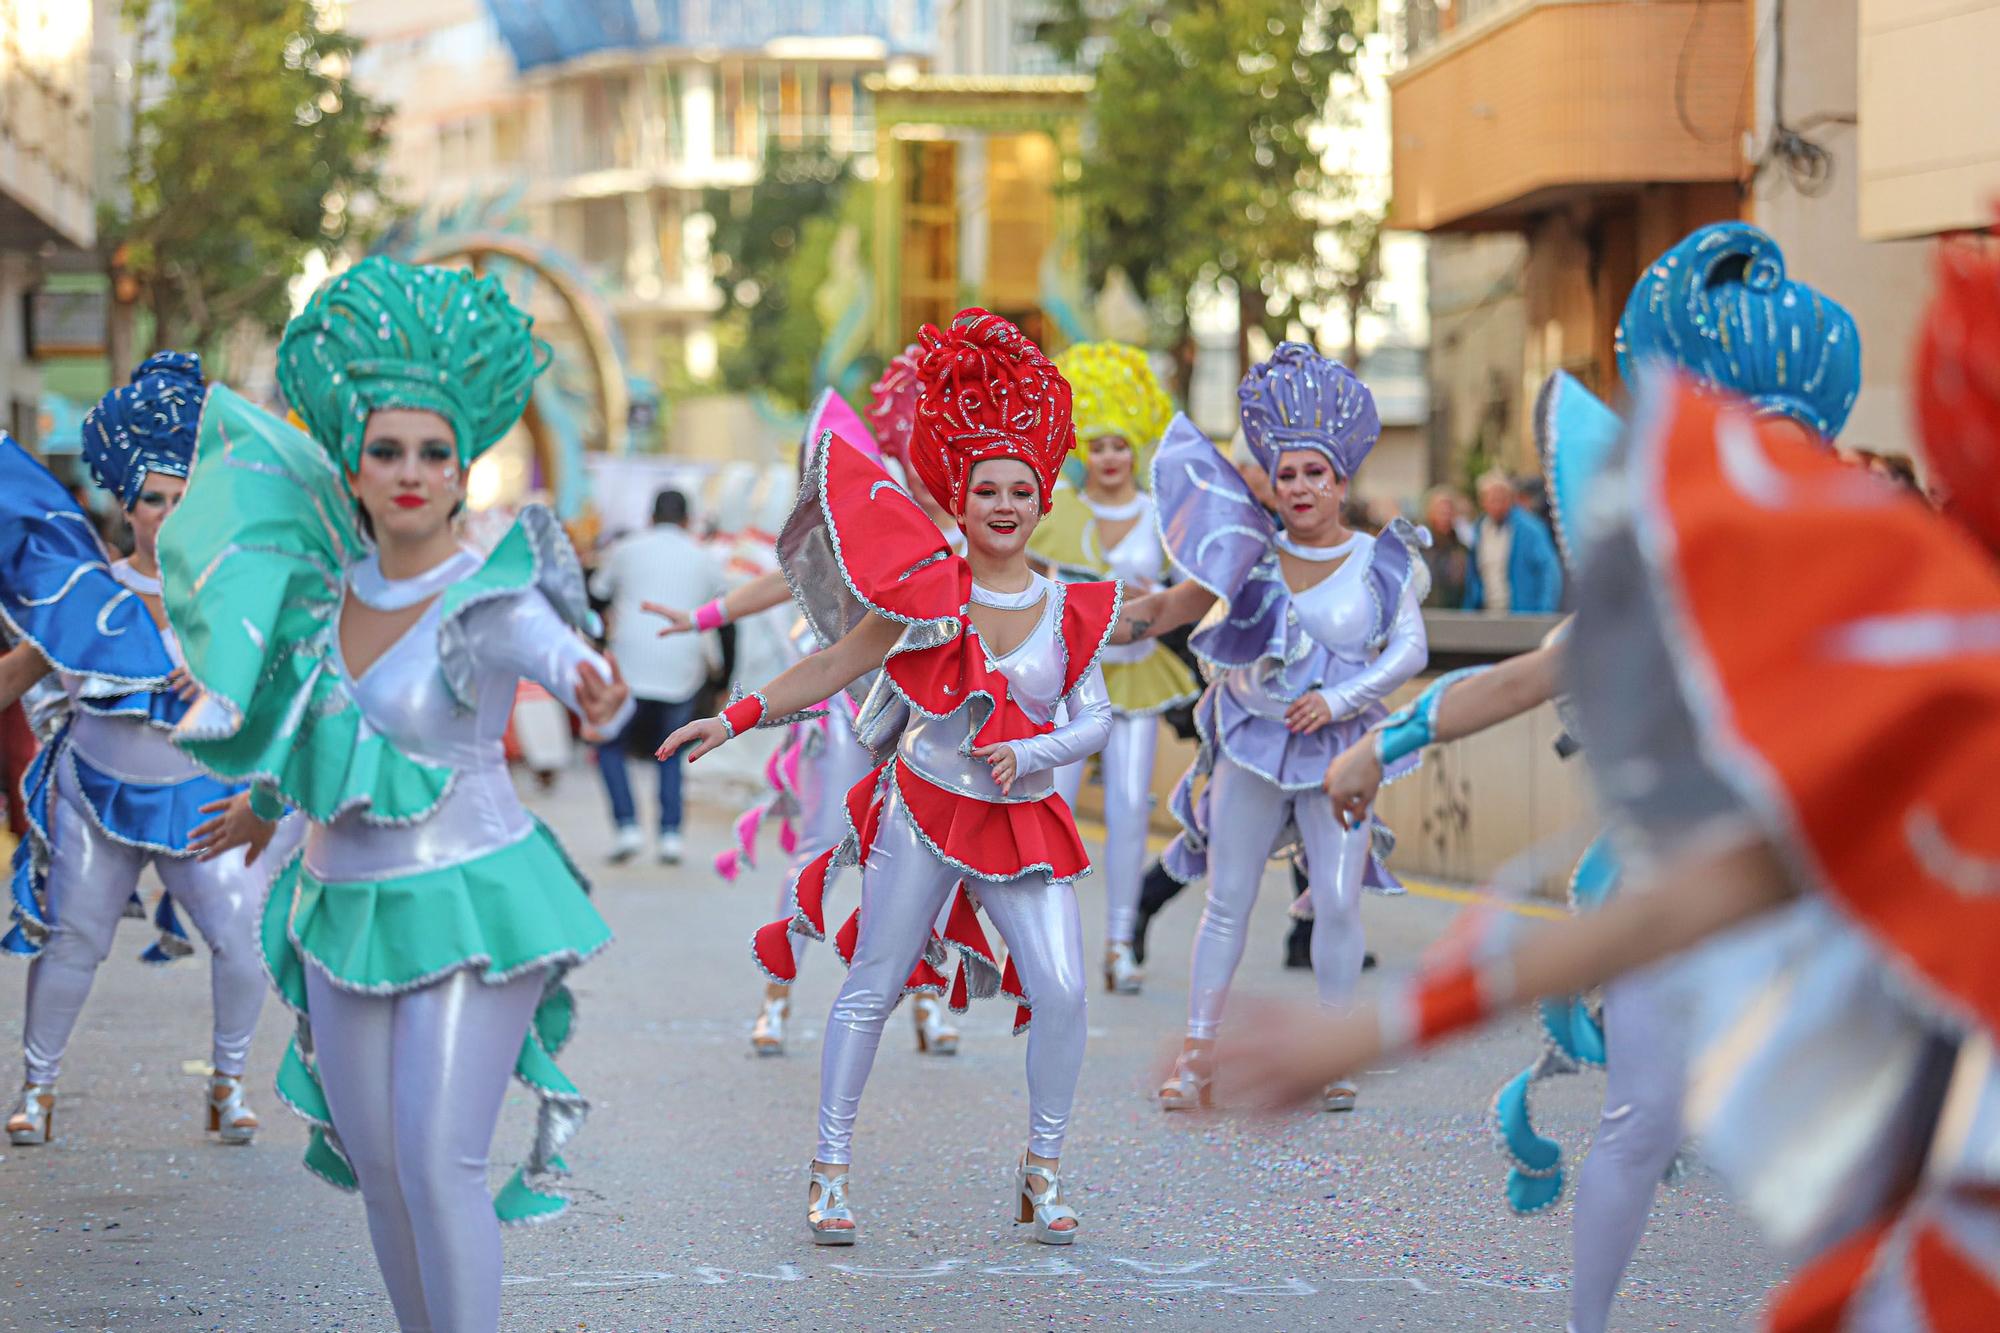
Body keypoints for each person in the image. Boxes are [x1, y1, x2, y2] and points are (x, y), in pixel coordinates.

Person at [1314, 221, 1869, 1333]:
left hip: (1821, 898)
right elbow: (1518, 682)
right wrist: (1380, 745)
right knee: (1642, 1116)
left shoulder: (1868, 578)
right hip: (1673, 891)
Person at [165, 256, 631, 1332]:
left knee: (436, 1158)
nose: (411, 470)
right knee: (377, 1166)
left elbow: (565, 662)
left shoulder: (494, 593)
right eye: (387, 451)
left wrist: (596, 693)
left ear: (465, 467)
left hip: (470, 899)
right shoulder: (319, 592)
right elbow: (316, 732)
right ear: (355, 467)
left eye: (435, 451)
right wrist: (265, 807)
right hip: (340, 906)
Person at [662, 309, 1172, 1246]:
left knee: (1062, 989)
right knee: (873, 980)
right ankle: (828, 1170)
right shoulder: (925, 594)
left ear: (1042, 499)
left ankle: (1042, 1173)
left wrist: (1036, 753)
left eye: (1022, 488)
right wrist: (733, 714)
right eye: (989, 489)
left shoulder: (1072, 605)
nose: (1006, 504)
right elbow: (829, 667)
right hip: (926, 813)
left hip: (1022, 823)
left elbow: (1095, 717)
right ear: (962, 496)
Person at [1108, 344, 1429, 1116]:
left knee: (1341, 901)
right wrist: (1079, 622)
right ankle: (1196, 1053)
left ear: (1342, 481)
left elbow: (1410, 648)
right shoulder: (1246, 551)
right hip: (1253, 742)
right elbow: (1172, 610)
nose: (1299, 487)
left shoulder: (1379, 560)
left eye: (1314, 473)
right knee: (1229, 898)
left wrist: (1344, 696)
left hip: (1341, 754)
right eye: (1286, 473)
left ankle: (1331, 1049)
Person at [0, 355, 299, 1148]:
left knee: (241, 935)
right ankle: (38, 1088)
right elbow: (16, 677)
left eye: (183, 498)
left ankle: (228, 1085)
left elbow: (291, 689)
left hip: (203, 800)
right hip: (96, 795)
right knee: (73, 939)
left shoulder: (237, 597)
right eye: (152, 500)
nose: (167, 515)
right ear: (126, 507)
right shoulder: (85, 594)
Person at [650, 356, 964, 1060]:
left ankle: (927, 1002)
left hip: (927, 718)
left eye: (943, 445)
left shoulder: (978, 532)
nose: (928, 462)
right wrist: (704, 615)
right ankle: (777, 996)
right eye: (917, 444)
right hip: (850, 703)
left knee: (930, 858)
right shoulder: (875, 512)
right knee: (819, 846)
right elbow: (789, 578)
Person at [1027, 341, 1199, 995]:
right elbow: (1034, 590)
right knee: (1056, 806)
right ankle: (1049, 941)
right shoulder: (1057, 513)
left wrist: (1147, 604)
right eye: (1096, 445)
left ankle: (1120, 941)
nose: (1108, 457)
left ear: (1135, 449)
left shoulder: (1161, 517)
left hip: (1137, 672)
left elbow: (1192, 591)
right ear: (1081, 450)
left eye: (1119, 445)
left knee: (1130, 804)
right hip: (1069, 677)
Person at [591, 487, 724, 865]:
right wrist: (722, 677)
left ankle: (626, 826)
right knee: (674, 750)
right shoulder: (704, 557)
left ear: (650, 517)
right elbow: (724, 616)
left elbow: (596, 596)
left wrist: (601, 643)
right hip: (681, 664)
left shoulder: (626, 548)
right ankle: (670, 836)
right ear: (687, 520)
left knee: (610, 745)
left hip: (628, 663)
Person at [1463, 467, 1562, 612]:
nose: (1497, 504)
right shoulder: (1479, 529)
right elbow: (1473, 576)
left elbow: (1549, 571)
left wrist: (1544, 612)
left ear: (1510, 500)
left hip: (1521, 614)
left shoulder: (1531, 530)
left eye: (1501, 498)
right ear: (1483, 502)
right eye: (1491, 499)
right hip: (1487, 612)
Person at [1418, 485, 1470, 608]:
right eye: (1440, 511)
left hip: (1454, 616)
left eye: (1449, 511)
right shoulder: (1418, 548)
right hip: (1425, 615)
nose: (1445, 514)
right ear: (1430, 513)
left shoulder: (1461, 550)